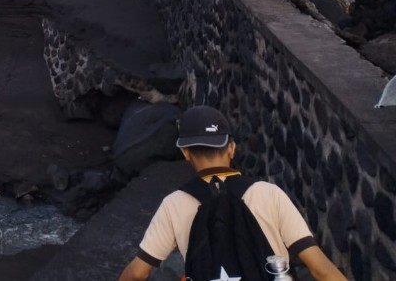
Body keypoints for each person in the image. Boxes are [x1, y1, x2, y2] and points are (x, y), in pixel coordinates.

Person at [117, 105, 346, 281]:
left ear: (186, 153)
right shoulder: (269, 194)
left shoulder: (174, 204)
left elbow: (137, 274)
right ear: (232, 149)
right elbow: (322, 270)